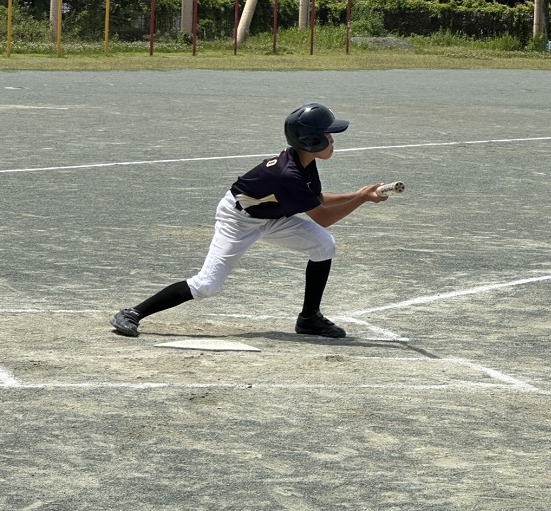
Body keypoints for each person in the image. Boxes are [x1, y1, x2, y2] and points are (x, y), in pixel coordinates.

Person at [110, 102, 387, 339]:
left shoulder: (304, 162)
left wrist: (359, 194)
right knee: (206, 285)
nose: (333, 140)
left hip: (272, 216)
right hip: (238, 220)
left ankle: (309, 318)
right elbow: (323, 217)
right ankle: (132, 313)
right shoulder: (287, 175)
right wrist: (362, 199)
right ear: (311, 141)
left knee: (323, 245)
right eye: (328, 135)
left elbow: (317, 199)